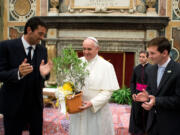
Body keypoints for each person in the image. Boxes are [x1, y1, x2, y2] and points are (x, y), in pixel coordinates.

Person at [0, 17, 53, 135]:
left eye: (44, 35)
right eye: (40, 34)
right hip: (13, 105)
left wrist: (44, 74)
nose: (42, 38)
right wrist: (18, 73)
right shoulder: (6, 46)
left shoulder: (42, 50)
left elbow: (45, 74)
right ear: (29, 30)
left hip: (35, 107)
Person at [69, 37, 119, 135]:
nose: (86, 52)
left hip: (97, 110)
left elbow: (108, 91)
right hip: (78, 108)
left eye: (89, 49)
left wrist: (92, 103)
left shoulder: (106, 66)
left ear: (97, 49)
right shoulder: (76, 63)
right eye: (84, 49)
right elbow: (70, 85)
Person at [136, 37, 180, 135]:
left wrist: (156, 101)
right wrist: (147, 96)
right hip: (152, 125)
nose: (149, 56)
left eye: (152, 53)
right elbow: (152, 90)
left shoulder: (178, 70)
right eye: (149, 53)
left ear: (164, 53)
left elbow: (178, 99)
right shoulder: (150, 70)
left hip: (172, 126)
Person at [129, 51, 150, 135]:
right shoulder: (136, 68)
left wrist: (148, 93)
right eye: (140, 56)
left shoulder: (152, 68)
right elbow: (132, 82)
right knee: (136, 113)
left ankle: (145, 130)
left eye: (143, 57)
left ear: (147, 58)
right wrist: (133, 93)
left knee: (145, 113)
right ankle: (136, 130)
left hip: (146, 94)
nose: (141, 58)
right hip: (137, 94)